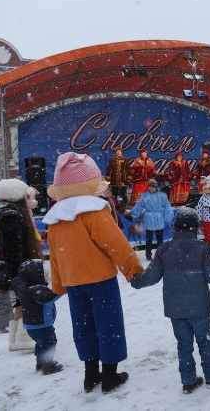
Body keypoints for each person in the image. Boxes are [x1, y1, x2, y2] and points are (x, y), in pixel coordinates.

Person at [44, 152, 144, 393]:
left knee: (83, 327)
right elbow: (116, 244)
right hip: (100, 280)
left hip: (74, 282)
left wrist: (58, 284)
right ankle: (110, 376)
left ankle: (90, 376)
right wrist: (133, 270)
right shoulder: (94, 211)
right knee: (108, 325)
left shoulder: (56, 217)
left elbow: (55, 256)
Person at [131, 208, 210, 394]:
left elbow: (151, 276)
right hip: (199, 306)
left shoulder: (164, 249)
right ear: (195, 228)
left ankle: (188, 380)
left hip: (175, 308)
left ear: (176, 228)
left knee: (183, 344)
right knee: (205, 341)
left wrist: (136, 280)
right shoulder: (201, 248)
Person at [0, 178, 41, 349]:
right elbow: (13, 248)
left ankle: (15, 338)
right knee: (25, 302)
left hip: (16, 267)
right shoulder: (12, 216)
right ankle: (23, 337)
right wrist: (18, 274)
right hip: (19, 268)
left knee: (19, 303)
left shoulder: (5, 213)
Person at [11, 259, 63, 374]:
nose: (47, 277)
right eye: (46, 275)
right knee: (49, 343)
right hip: (42, 324)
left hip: (30, 326)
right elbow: (50, 297)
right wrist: (61, 288)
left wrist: (19, 277)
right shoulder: (38, 290)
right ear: (37, 276)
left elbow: (15, 282)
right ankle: (48, 365)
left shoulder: (23, 289)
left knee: (40, 343)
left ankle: (40, 361)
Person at [129, 179, 174, 261]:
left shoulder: (161, 195)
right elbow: (139, 206)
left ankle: (161, 254)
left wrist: (168, 217)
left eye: (152, 187)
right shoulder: (145, 196)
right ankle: (148, 254)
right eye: (149, 186)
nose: (151, 188)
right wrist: (132, 214)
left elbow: (167, 207)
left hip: (158, 218)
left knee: (159, 238)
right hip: (149, 219)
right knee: (148, 238)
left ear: (156, 187)